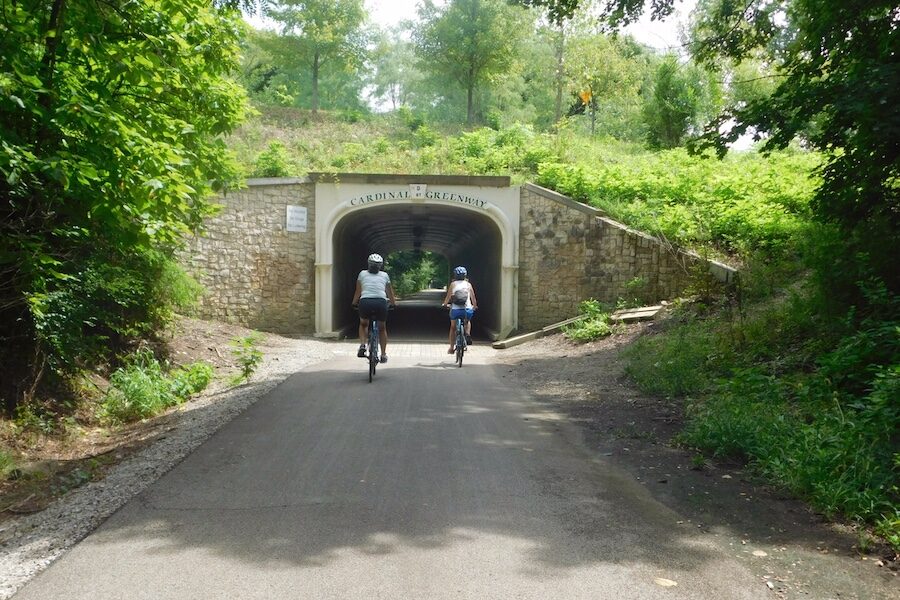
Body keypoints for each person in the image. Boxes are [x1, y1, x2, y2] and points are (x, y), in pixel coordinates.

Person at [351, 253, 397, 363]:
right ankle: (384, 354)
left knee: (363, 324)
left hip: (365, 302)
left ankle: (363, 345)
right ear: (380, 266)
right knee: (382, 328)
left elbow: (358, 291)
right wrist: (394, 303)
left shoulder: (362, 274)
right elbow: (389, 293)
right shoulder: (385, 275)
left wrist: (353, 303)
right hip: (380, 302)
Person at [442, 266, 477, 354]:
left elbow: (448, 296)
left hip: (455, 310)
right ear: (465, 275)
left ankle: (451, 348)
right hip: (467, 309)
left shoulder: (453, 284)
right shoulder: (468, 285)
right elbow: (473, 298)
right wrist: (474, 306)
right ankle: (467, 334)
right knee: (467, 321)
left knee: (453, 328)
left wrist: (445, 304)